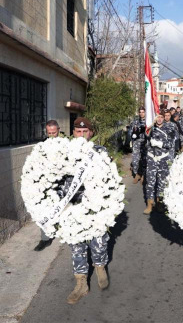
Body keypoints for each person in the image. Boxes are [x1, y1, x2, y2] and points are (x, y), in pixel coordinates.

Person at [65, 117, 111, 305]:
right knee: (77, 245)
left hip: (95, 206)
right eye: (78, 132)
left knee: (98, 241)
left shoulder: (100, 152)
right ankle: (81, 283)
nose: (82, 135)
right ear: (73, 132)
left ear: (91, 133)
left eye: (85, 132)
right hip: (74, 207)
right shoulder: (65, 153)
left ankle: (100, 267)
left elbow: (109, 178)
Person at [34, 120, 64, 251]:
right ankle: (45, 239)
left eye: (54, 133)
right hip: (47, 183)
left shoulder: (66, 145)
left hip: (63, 183)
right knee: (43, 209)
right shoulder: (42, 146)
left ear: (58, 130)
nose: (52, 135)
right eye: (49, 133)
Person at [143, 111, 175, 214]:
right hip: (152, 158)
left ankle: (160, 203)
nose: (160, 119)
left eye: (162, 117)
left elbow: (171, 143)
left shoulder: (169, 128)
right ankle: (149, 204)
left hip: (163, 158)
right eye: (158, 117)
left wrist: (160, 143)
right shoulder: (150, 128)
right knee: (150, 182)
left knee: (162, 182)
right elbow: (145, 142)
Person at [130, 107, 147, 183]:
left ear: (145, 112)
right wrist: (132, 135)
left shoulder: (148, 121)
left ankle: (143, 175)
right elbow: (131, 131)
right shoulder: (135, 121)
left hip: (145, 143)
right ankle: (137, 174)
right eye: (140, 112)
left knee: (144, 160)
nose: (141, 113)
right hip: (136, 142)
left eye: (143, 112)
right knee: (135, 160)